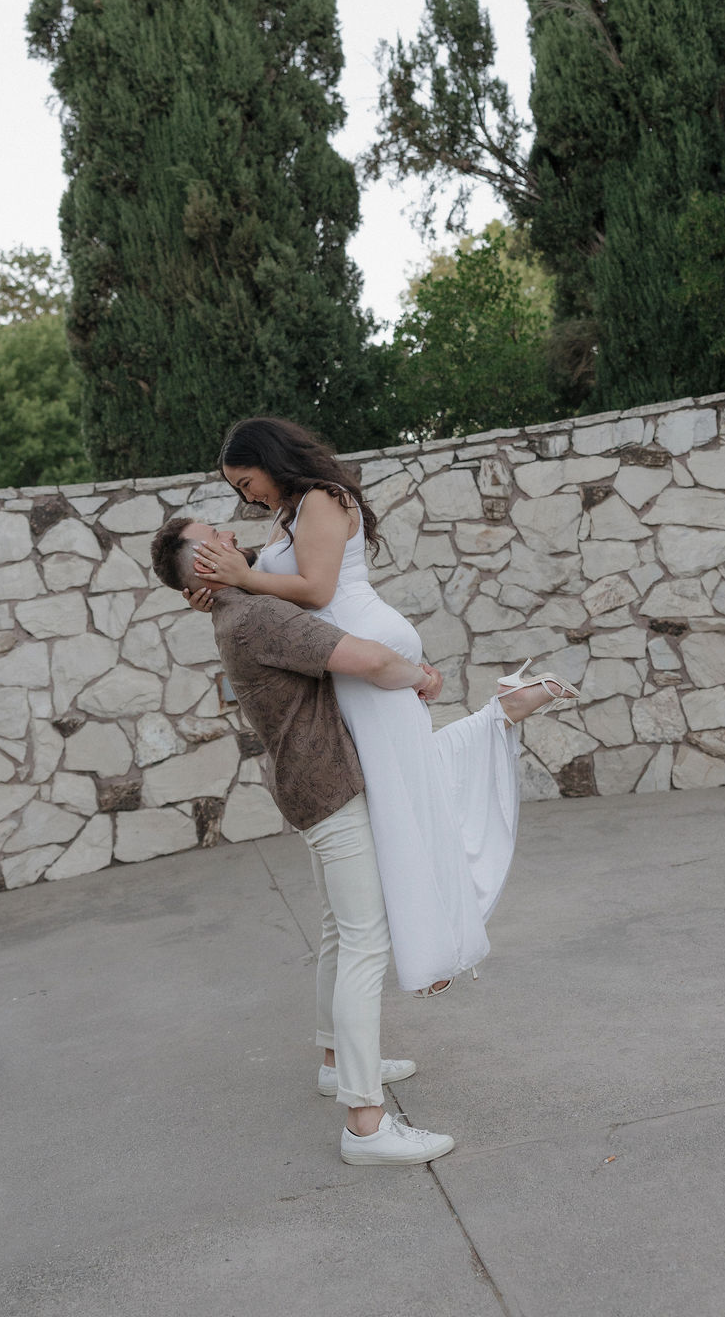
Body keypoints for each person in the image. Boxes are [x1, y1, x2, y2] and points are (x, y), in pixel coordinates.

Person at [186, 417, 577, 998]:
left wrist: (243, 574)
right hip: (346, 653)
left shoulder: (322, 499)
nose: (247, 496)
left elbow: (316, 591)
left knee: (398, 795)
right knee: (403, 783)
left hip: (359, 647)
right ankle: (505, 712)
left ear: (270, 460)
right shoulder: (288, 513)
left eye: (247, 482)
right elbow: (279, 582)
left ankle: (436, 946)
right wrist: (223, 586)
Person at [150, 515, 455, 1166]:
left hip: (307, 785)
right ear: (204, 564)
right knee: (365, 943)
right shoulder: (257, 616)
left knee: (341, 932)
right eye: (217, 536)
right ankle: (366, 1125)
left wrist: (220, 580)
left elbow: (274, 572)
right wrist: (421, 677)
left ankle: (334, 1061)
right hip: (330, 787)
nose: (231, 534)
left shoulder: (233, 609)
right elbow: (369, 660)